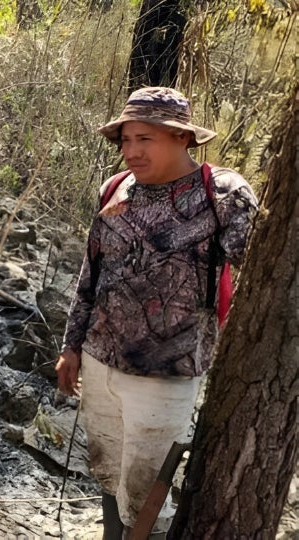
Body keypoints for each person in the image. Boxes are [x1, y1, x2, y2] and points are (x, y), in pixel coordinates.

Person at [55, 87, 259, 538]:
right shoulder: (115, 188)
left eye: (144, 139)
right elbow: (92, 273)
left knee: (149, 495)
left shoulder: (222, 195)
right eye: (125, 140)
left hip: (167, 378)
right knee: (108, 478)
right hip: (99, 364)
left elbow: (262, 276)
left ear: (181, 137)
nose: (131, 151)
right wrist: (71, 346)